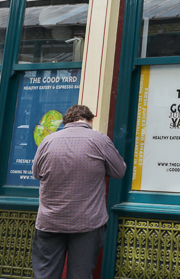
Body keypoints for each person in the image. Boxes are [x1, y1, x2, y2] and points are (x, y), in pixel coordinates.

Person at [31, 104, 126, 279]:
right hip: (87, 223)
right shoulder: (99, 140)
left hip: (50, 221)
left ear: (66, 121)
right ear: (90, 120)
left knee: (45, 275)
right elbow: (119, 171)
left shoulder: (47, 141)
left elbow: (36, 174)